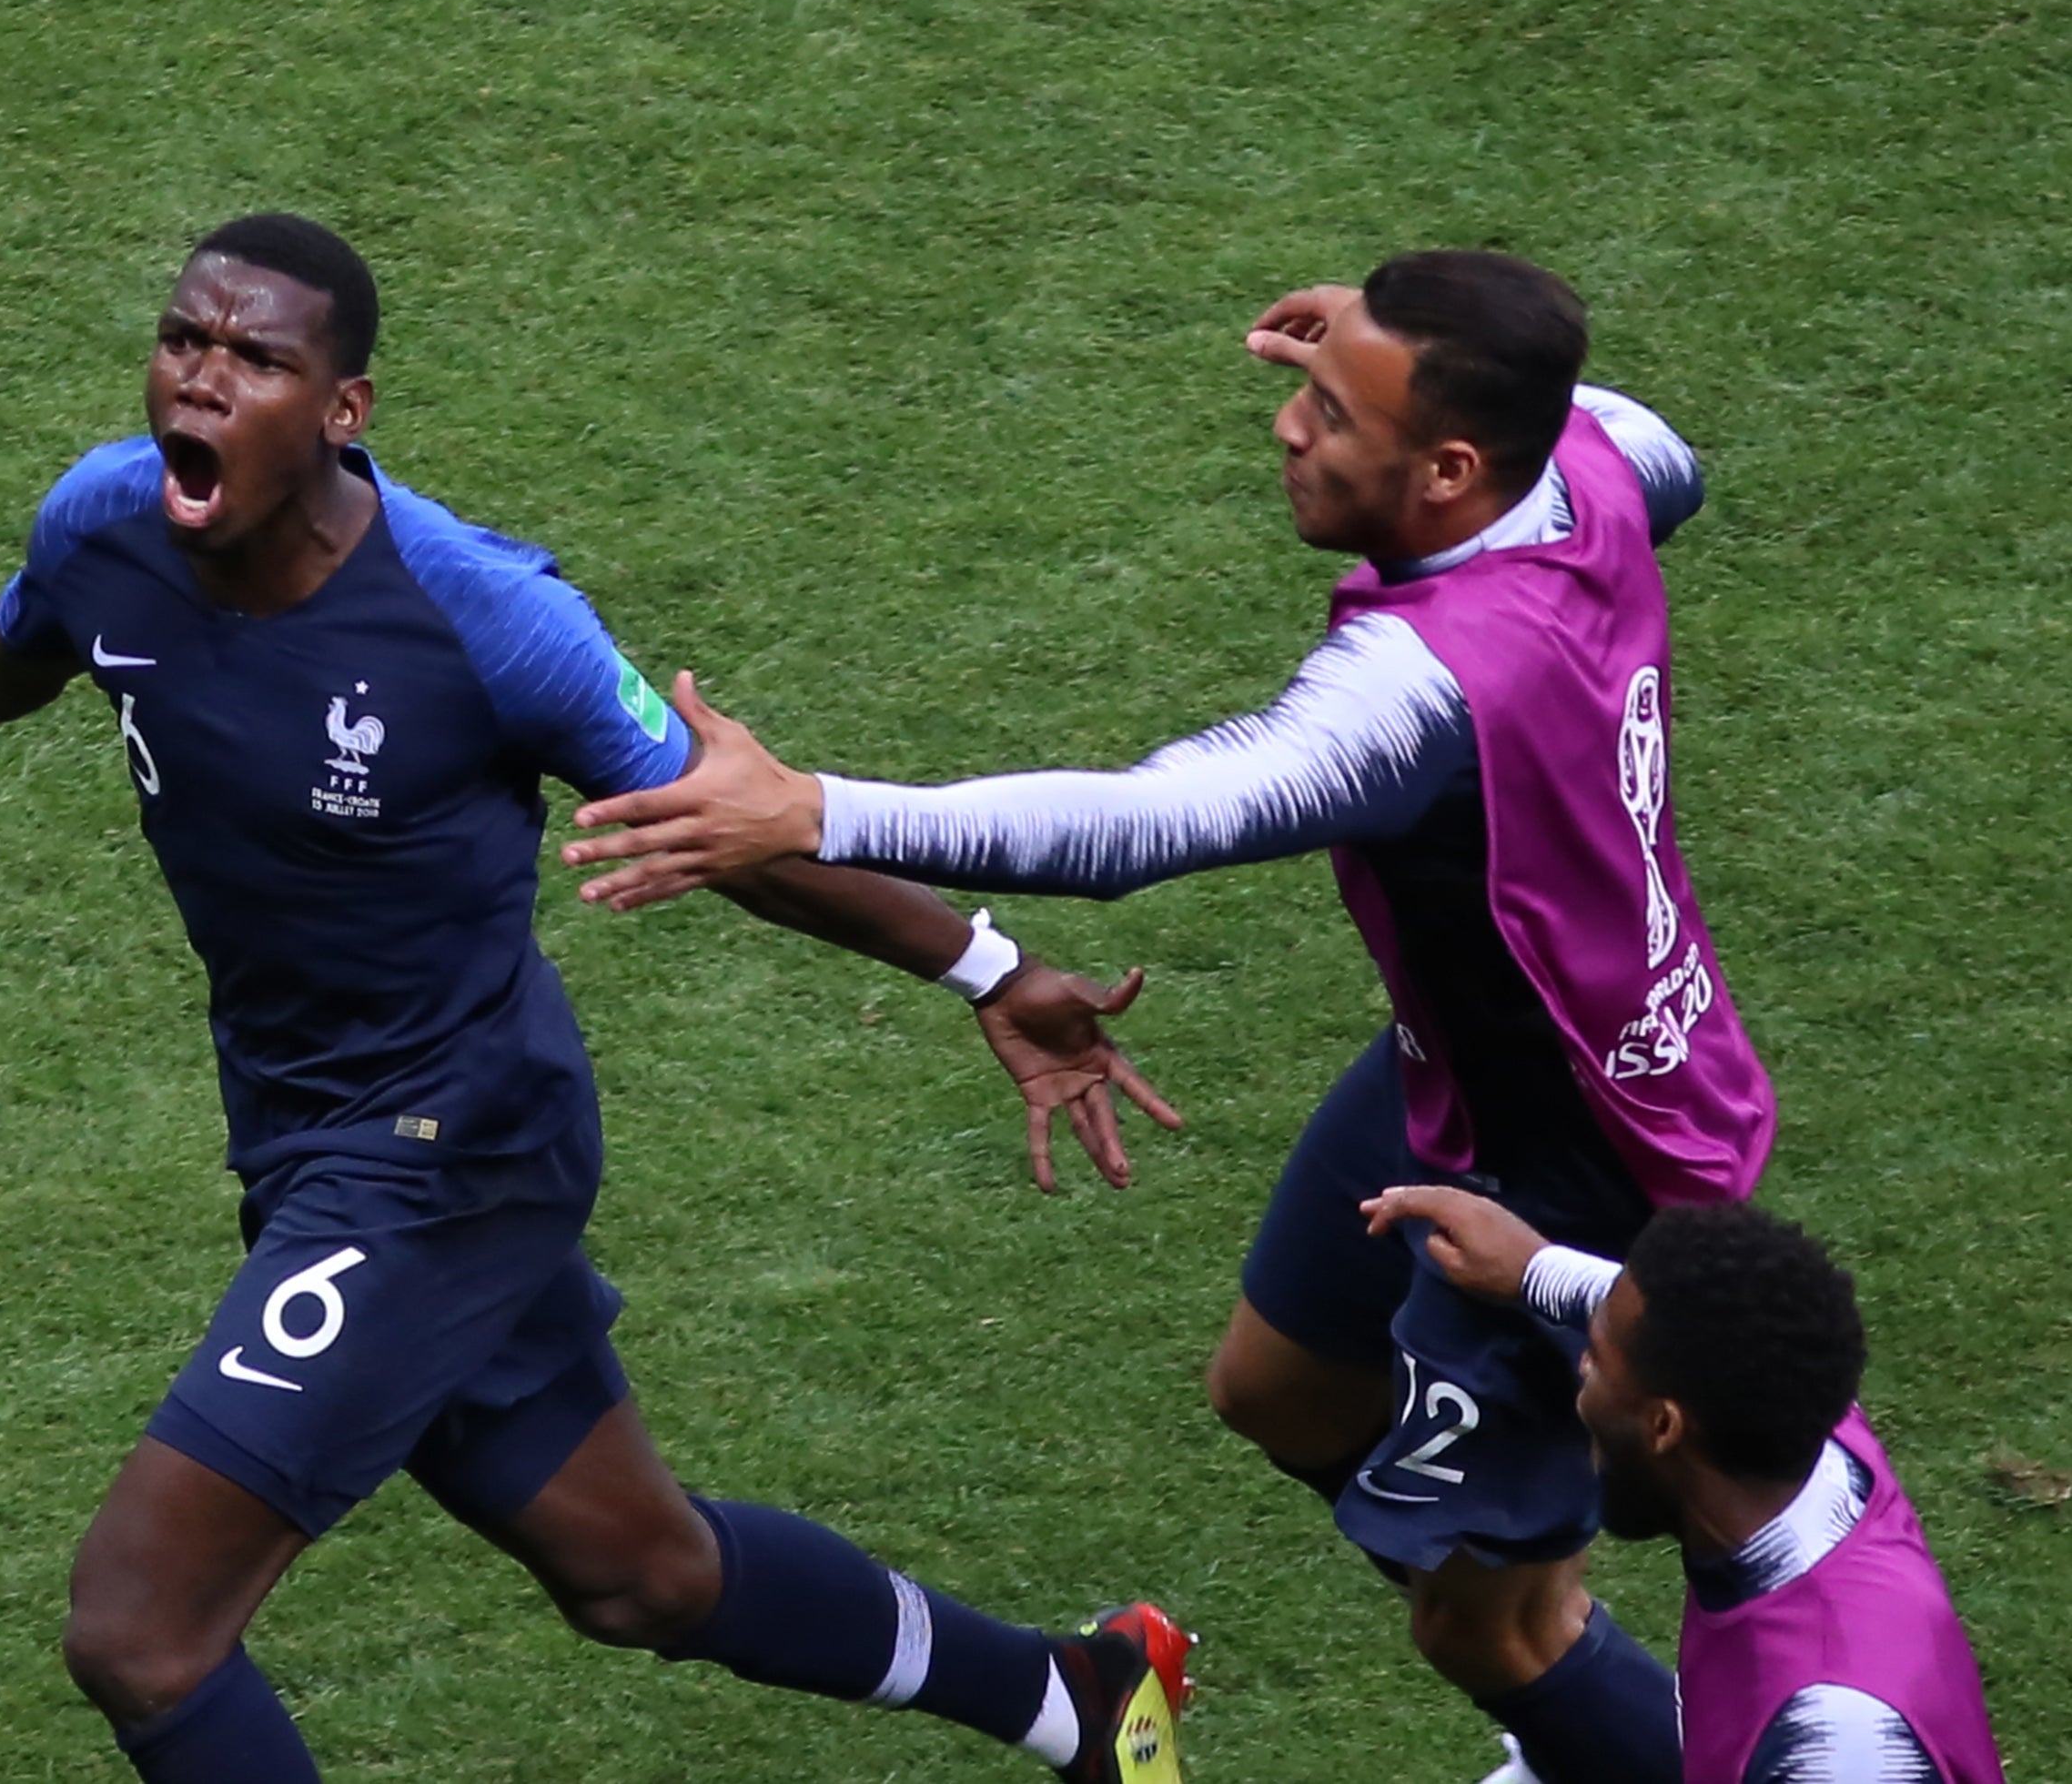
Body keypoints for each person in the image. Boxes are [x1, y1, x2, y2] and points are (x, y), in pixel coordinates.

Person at [0, 214, 1196, 1784]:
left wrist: (985, 964)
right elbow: (14, 648)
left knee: (140, 1626)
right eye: (186, 340)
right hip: (308, 1126)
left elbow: (738, 821)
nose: (205, 378)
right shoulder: (106, 519)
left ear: (343, 411)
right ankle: (1084, 1693)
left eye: (256, 358)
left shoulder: (480, 613)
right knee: (640, 1570)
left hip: (448, 1142)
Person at [561, 250, 1778, 1782]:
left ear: (1453, 468)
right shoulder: (1589, 457)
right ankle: (1539, 1620)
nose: (1288, 426)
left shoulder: (1428, 682)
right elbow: (1656, 451)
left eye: (1334, 412)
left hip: (1573, 1160)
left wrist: (815, 804)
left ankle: (1594, 1704)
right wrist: (1386, 337)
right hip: (1473, 1069)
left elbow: (1150, 821)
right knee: (1274, 1385)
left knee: (1489, 1635)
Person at [1363, 1185, 2006, 1784]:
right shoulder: (1815, 1438)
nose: (1581, 1370)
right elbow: (1687, 1329)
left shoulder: (1836, 1739)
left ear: (1664, 1423)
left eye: (1597, 1361)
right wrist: (1534, 1268)